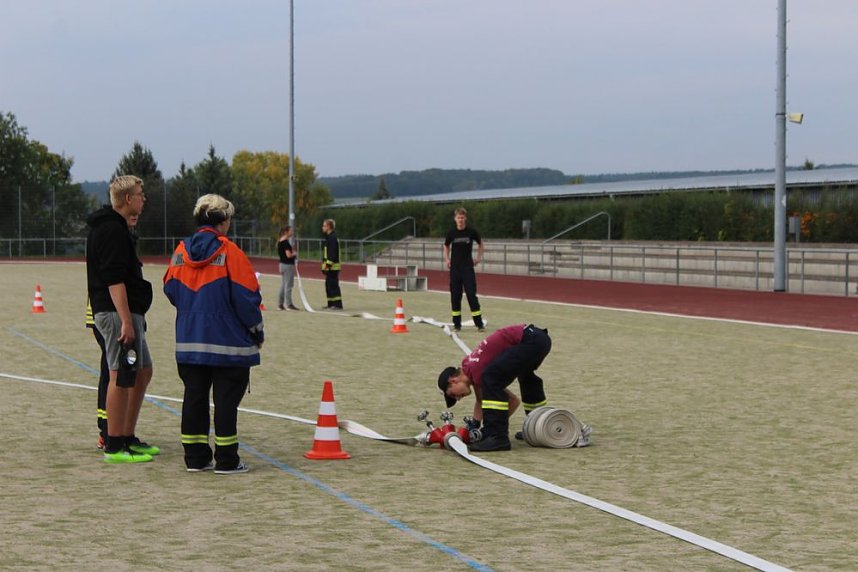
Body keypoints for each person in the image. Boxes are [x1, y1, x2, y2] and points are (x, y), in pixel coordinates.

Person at [163, 194, 264, 474]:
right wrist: (256, 331)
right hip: (227, 342)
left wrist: (193, 309)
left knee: (194, 397)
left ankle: (195, 458)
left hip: (189, 339)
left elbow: (170, 288)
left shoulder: (180, 251)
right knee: (226, 401)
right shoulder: (230, 252)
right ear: (224, 221)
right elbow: (247, 297)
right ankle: (227, 460)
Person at [86, 175, 159, 463]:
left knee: (143, 370)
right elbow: (114, 279)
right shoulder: (111, 230)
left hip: (127, 311)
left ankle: (127, 436)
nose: (144, 199)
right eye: (140, 194)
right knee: (121, 374)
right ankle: (114, 444)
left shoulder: (120, 229)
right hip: (116, 312)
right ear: (128, 198)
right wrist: (126, 320)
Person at [437, 324, 552, 452]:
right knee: (526, 378)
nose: (458, 399)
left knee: (491, 378)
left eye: (453, 395)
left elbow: (511, 400)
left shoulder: (476, 371)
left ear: (453, 380)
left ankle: (497, 437)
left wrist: (489, 429)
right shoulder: (470, 367)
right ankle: (537, 427)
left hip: (531, 340)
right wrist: (475, 424)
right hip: (536, 338)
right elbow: (482, 400)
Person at [444, 207, 484, 331]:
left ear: (465, 218)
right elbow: (446, 245)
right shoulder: (451, 233)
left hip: (467, 268)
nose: (460, 220)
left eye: (462, 217)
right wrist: (447, 259)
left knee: (471, 296)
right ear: (455, 219)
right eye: (458, 218)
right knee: (455, 297)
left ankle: (479, 324)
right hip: (455, 269)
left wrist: (478, 258)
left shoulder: (471, 232)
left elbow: (481, 243)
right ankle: (457, 324)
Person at [86, 297, 109, 450]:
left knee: (110, 372)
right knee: (112, 374)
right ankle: (107, 431)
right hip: (105, 313)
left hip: (102, 313)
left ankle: (107, 429)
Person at [321, 218, 343, 309]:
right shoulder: (329, 238)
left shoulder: (332, 238)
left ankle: (337, 304)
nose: (322, 227)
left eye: (324, 226)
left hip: (333, 267)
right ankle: (331, 303)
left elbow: (332, 254)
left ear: (329, 227)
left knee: (333, 285)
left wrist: (327, 266)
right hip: (330, 267)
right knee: (328, 285)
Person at [277, 225, 298, 310]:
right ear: (286, 232)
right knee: (288, 285)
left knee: (283, 285)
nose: (292, 232)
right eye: (291, 231)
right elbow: (288, 255)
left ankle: (280, 304)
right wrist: (294, 253)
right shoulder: (285, 242)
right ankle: (289, 304)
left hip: (282, 265)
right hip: (287, 265)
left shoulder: (280, 241)